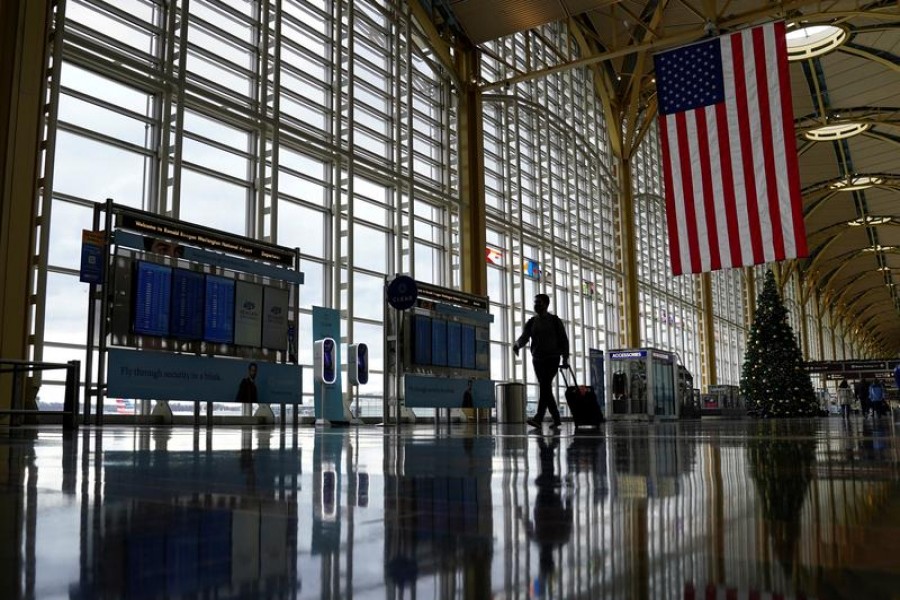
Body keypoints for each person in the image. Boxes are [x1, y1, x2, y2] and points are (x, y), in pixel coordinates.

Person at [513, 293, 569, 430]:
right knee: (546, 388)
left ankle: (539, 417)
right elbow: (525, 337)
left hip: (552, 358)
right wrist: (517, 345)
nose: (536, 305)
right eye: (535, 302)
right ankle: (556, 418)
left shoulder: (555, 321)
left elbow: (563, 340)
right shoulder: (532, 322)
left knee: (545, 385)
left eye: (539, 302)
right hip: (537, 359)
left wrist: (565, 358)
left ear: (546, 304)